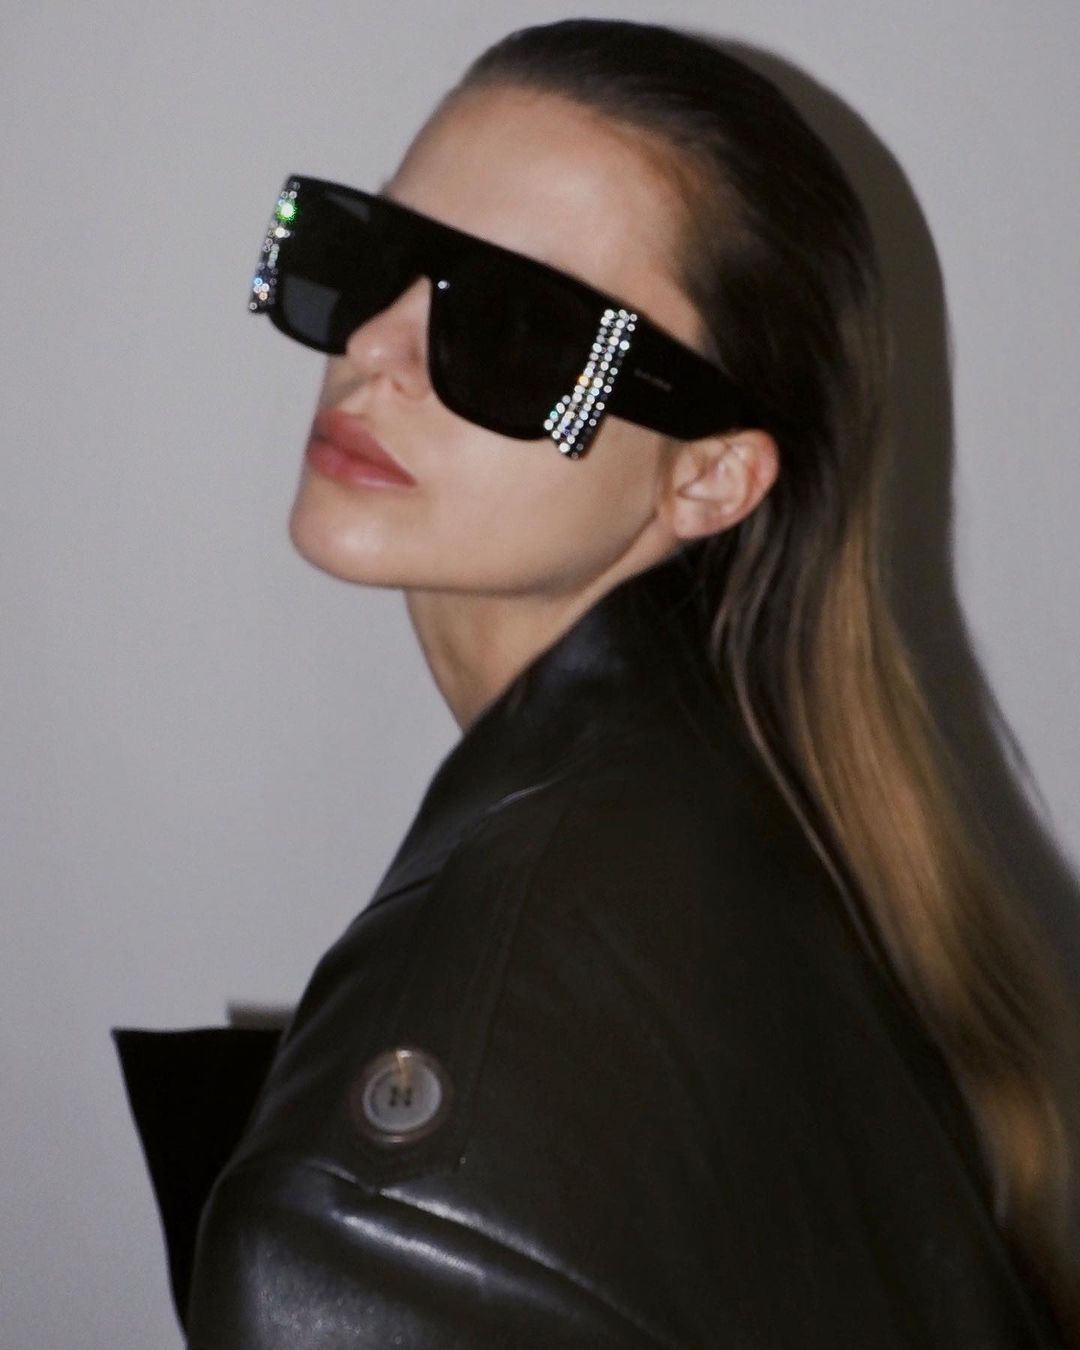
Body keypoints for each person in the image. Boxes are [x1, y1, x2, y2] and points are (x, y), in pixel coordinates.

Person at [114, 17, 1080, 1348]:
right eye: (368, 255)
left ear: (710, 477)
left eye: (520, 329)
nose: (377, 349)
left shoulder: (379, 1225)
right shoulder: (756, 808)